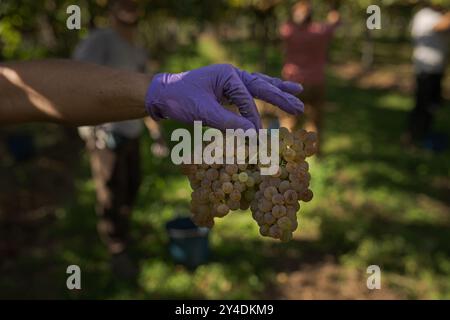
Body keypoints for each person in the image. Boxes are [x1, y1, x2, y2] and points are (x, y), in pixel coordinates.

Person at [72, 0, 168, 278]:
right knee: (111, 190)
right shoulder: (99, 41)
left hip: (131, 131)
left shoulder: (137, 49)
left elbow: (145, 95)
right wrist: (90, 127)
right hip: (105, 133)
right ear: (111, 11)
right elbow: (74, 81)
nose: (130, 8)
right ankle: (116, 249)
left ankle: (124, 235)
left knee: (132, 185)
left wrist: (155, 131)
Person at [279, 0, 340, 154]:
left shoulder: (288, 31)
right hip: (316, 82)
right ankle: (313, 154)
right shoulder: (320, 32)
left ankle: (285, 152)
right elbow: (335, 20)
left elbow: (285, 25)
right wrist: (332, 7)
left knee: (289, 120)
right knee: (314, 121)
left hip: (293, 83)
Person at [405, 4, 450, 150]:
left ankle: (424, 134)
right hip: (426, 69)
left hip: (436, 68)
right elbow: (442, 25)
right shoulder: (425, 15)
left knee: (431, 105)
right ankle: (412, 136)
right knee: (422, 105)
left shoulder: (437, 15)